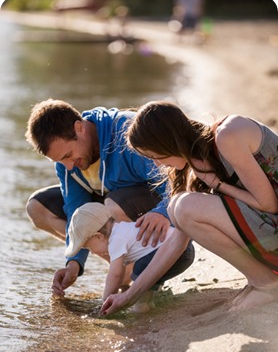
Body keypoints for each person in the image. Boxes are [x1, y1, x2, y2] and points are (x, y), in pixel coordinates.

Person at [100, 100, 278, 315]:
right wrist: (129, 296)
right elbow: (177, 240)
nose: (158, 164)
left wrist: (217, 184)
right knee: (178, 207)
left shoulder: (228, 134)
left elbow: (268, 203)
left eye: (156, 156)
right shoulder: (195, 165)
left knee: (183, 205)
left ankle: (266, 283)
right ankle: (261, 280)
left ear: (168, 141)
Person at [25, 99, 171, 298]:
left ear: (79, 128)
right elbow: (77, 211)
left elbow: (173, 184)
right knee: (37, 208)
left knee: (113, 204)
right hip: (115, 208)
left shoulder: (127, 132)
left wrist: (162, 213)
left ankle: (143, 265)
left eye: (68, 155)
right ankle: (121, 266)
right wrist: (74, 263)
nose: (69, 166)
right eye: (60, 161)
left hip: (154, 211)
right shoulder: (67, 165)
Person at [65, 202, 194, 313]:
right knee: (143, 271)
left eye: (88, 247)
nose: (92, 252)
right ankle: (150, 304)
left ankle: (141, 309)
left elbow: (114, 274)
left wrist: (105, 302)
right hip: (184, 248)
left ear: (99, 236)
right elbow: (120, 273)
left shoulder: (115, 240)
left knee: (140, 267)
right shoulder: (123, 229)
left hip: (173, 251)